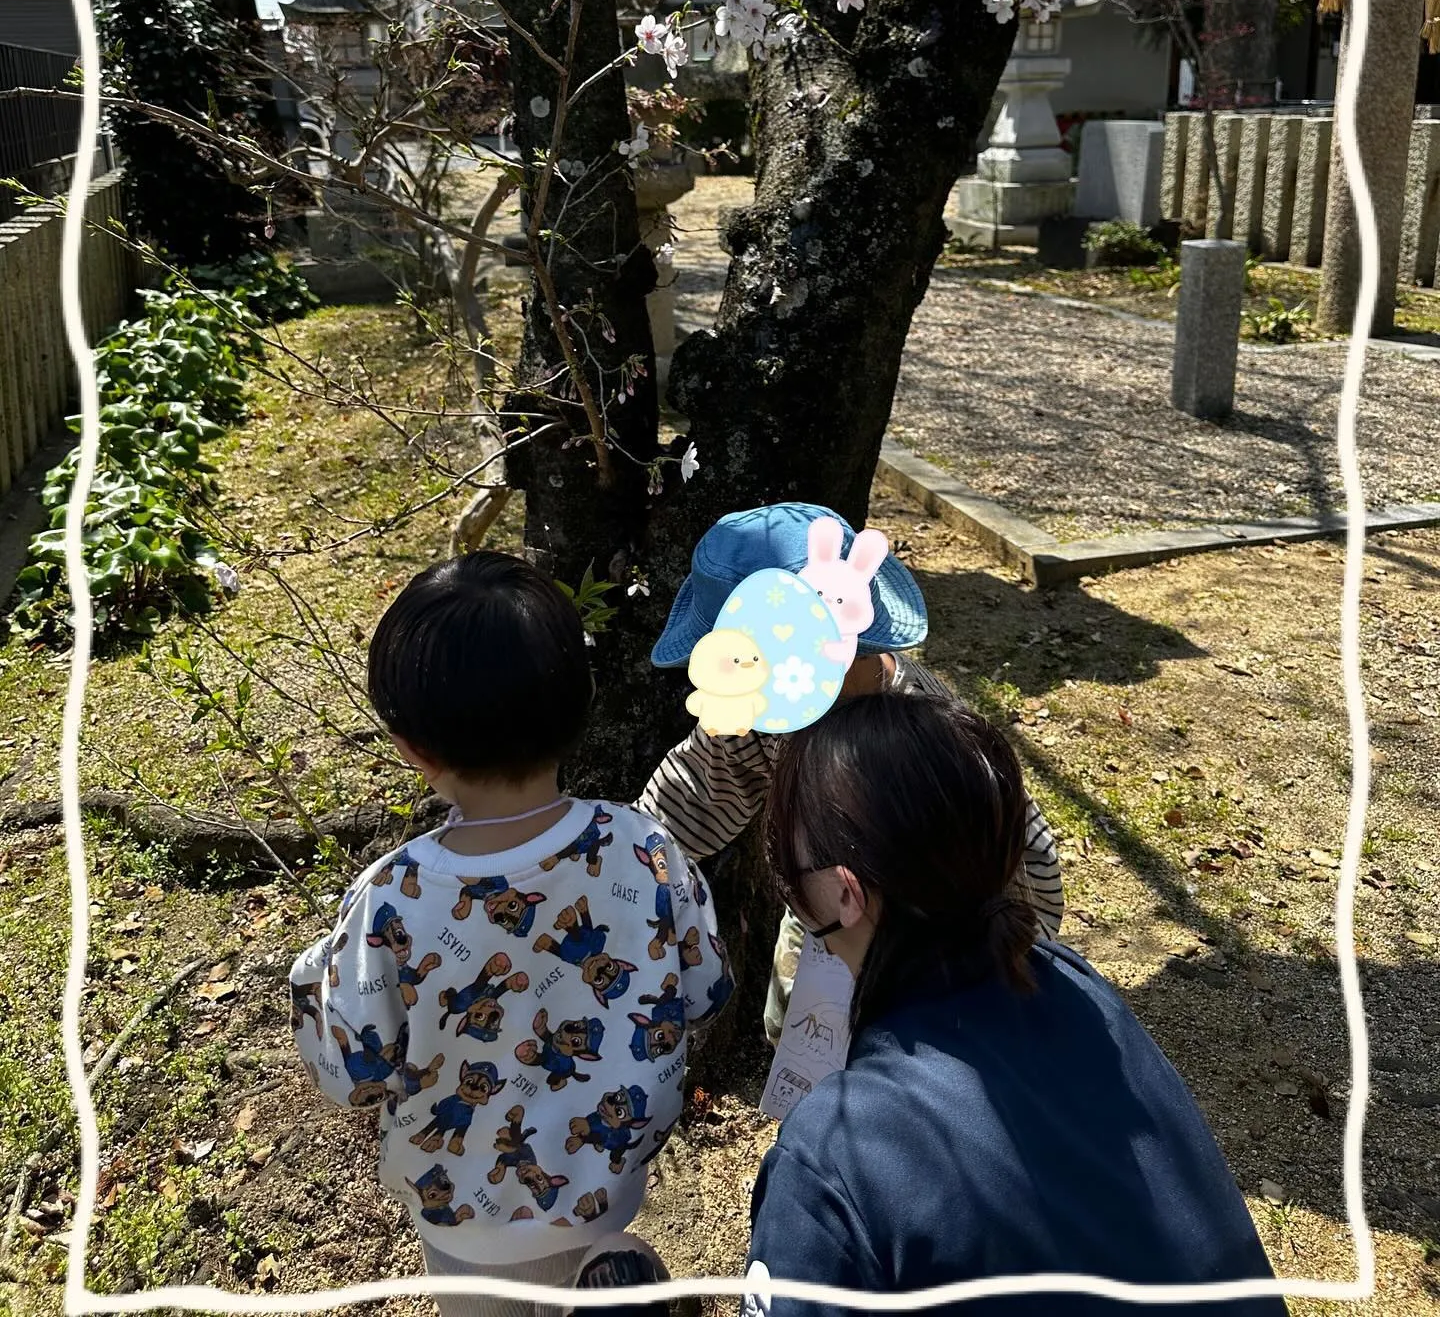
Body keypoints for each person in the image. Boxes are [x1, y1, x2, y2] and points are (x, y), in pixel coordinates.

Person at [745, 690, 1288, 1317]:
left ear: (847, 895)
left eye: (788, 868)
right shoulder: (1075, 986)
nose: (787, 888)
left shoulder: (836, 1156)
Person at [288, 551, 732, 1317]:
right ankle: (615, 1279)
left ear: (411, 748)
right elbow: (705, 991)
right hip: (606, 1191)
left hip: (461, 1219)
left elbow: (353, 1072)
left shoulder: (393, 898)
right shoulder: (647, 848)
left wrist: (309, 975)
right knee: (595, 1288)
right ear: (579, 703)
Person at [635, 502, 1064, 1042]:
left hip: (955, 932)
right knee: (805, 1038)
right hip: (831, 921)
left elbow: (1017, 859)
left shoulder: (930, 732)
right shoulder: (754, 724)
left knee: (952, 1041)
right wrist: (615, 859)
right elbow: (684, 802)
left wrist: (1029, 943)